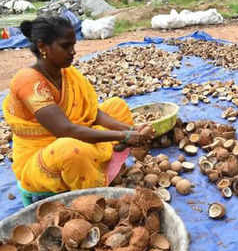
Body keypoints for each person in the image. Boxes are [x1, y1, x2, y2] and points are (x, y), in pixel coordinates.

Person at [2, 16, 153, 195]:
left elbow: (92, 114)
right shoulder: (28, 81)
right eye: (65, 46)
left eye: (73, 45)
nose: (73, 52)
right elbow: (65, 130)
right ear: (43, 47)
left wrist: (131, 129)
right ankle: (93, 186)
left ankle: (98, 164)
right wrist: (124, 136)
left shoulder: (67, 74)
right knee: (70, 150)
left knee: (116, 106)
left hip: (75, 137)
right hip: (44, 156)